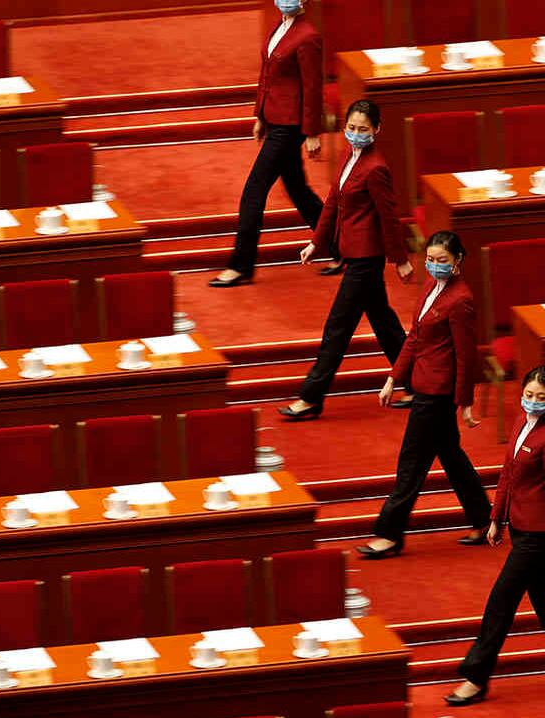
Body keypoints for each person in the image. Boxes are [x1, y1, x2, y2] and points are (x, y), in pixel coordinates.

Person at [445, 366, 545, 705]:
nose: (533, 401)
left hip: (537, 532)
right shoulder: (522, 421)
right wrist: (496, 518)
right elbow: (508, 472)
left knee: (501, 600)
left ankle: (476, 676)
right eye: (529, 394)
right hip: (519, 524)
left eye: (541, 397)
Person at [357, 231, 491, 559]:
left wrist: (465, 401)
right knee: (451, 456)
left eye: (441, 260)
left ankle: (390, 533)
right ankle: (483, 518)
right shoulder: (431, 286)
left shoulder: (461, 300)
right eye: (430, 259)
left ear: (458, 261)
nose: (433, 265)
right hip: (423, 384)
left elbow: (465, 356)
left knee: (411, 463)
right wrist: (393, 378)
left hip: (437, 393)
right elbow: (415, 337)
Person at [278, 99, 414, 420]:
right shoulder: (347, 155)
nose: (355, 133)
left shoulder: (376, 168)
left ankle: (311, 397)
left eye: (362, 129)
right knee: (383, 321)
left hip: (367, 258)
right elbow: (332, 201)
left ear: (377, 129)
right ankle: (416, 381)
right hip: (353, 252)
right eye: (351, 127)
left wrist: (401, 259)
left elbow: (388, 217)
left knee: (337, 328)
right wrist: (317, 242)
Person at [210, 0, 326, 288]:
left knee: (254, 190)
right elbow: (267, 76)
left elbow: (313, 87)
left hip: (290, 126)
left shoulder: (308, 36)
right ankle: (340, 245)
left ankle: (241, 266)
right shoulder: (279, 27)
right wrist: (260, 116)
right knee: (297, 189)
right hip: (274, 119)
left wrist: (313, 132)